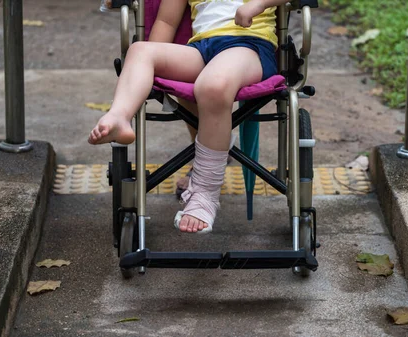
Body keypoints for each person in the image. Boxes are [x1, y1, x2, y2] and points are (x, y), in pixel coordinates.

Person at [89, 0, 284, 234]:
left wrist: (257, 5)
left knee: (213, 84)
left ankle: (204, 193)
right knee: (140, 51)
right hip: (201, 50)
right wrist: (155, 64)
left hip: (248, 46)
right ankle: (120, 115)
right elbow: (165, 21)